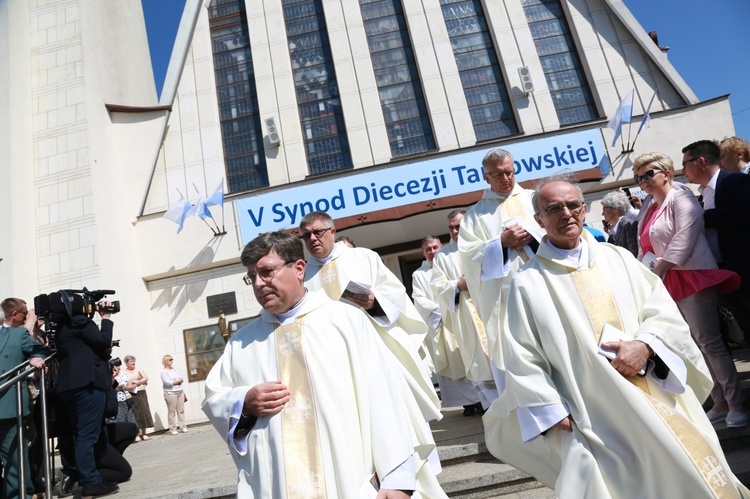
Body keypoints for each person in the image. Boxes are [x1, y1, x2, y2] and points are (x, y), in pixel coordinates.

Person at [485, 174, 750, 498]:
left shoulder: (619, 260)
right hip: (591, 413)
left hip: (654, 390)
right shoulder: (525, 283)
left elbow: (663, 311)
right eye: (553, 208)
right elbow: (520, 355)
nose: (566, 213)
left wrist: (646, 344)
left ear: (584, 210)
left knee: (687, 470)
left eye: (572, 205)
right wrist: (550, 410)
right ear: (539, 220)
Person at [202, 231, 447, 498]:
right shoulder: (242, 343)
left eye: (267, 272)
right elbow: (215, 398)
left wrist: (397, 479)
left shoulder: (346, 321)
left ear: (298, 268)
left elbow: (384, 399)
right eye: (252, 276)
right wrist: (244, 401)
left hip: (346, 477)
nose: (259, 284)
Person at [634, 151, 746, 427]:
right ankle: (718, 401)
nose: (644, 181)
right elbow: (644, 246)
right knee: (692, 345)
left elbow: (685, 236)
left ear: (666, 173)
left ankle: (736, 404)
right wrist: (640, 274)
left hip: (689, 274)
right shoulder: (649, 205)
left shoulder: (681, 196)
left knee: (709, 342)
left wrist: (658, 271)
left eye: (649, 174)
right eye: (639, 177)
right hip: (664, 277)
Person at [299, 211, 440, 422]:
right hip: (335, 357)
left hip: (374, 347)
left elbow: (396, 294)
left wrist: (375, 302)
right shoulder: (302, 276)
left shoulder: (362, 257)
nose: (312, 239)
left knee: (397, 411)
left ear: (332, 231)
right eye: (306, 235)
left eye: (317, 232)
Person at [457, 148, 543, 391]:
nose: (505, 179)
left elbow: (556, 230)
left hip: (546, 280)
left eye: (509, 172)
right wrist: (501, 243)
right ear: (486, 177)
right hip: (507, 296)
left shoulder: (534, 198)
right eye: (497, 175)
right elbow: (470, 257)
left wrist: (533, 235)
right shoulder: (475, 215)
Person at [432, 210, 498, 410]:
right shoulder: (443, 256)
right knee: (482, 367)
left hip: (492, 311)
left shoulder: (482, 244)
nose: (454, 231)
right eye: (451, 227)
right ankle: (495, 413)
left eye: (458, 226)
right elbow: (438, 287)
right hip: (468, 319)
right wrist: (459, 285)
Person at [411, 235, 482, 416]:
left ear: (441, 246)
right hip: (443, 325)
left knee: (471, 357)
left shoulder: (453, 261)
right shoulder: (419, 274)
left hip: (461, 317)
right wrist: (442, 310)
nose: (432, 252)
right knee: (454, 363)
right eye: (428, 249)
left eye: (435, 247)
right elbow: (419, 300)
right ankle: (467, 403)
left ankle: (482, 400)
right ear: (423, 252)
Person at [55, 296, 119, 497]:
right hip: (86, 385)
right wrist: (106, 318)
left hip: (68, 387)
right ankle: (91, 483)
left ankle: (91, 479)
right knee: (87, 436)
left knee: (80, 435)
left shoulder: (62, 326)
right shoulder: (79, 322)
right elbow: (102, 342)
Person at [0, 298, 49, 499]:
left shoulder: (18, 334)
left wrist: (35, 358)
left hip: (8, 407)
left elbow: (43, 351)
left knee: (15, 461)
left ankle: (21, 496)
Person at [122, 355, 153, 442]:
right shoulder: (123, 371)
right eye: (131, 361)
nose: (133, 362)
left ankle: (144, 433)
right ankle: (136, 434)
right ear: (126, 363)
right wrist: (130, 386)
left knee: (144, 411)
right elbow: (123, 382)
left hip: (141, 392)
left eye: (134, 361)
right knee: (135, 413)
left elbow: (145, 377)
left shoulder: (138, 369)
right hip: (131, 393)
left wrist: (139, 381)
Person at [601, 191, 638, 256]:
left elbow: (635, 254)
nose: (602, 214)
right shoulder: (613, 232)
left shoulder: (628, 225)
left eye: (604, 209)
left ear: (615, 209)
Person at [161, 354, 188, 435]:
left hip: (180, 391)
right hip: (170, 393)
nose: (171, 361)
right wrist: (176, 381)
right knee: (172, 411)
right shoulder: (164, 372)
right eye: (169, 360)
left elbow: (181, 378)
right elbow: (168, 382)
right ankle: (172, 428)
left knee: (181, 410)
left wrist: (176, 381)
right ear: (165, 361)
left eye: (172, 359)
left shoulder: (175, 369)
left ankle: (183, 427)